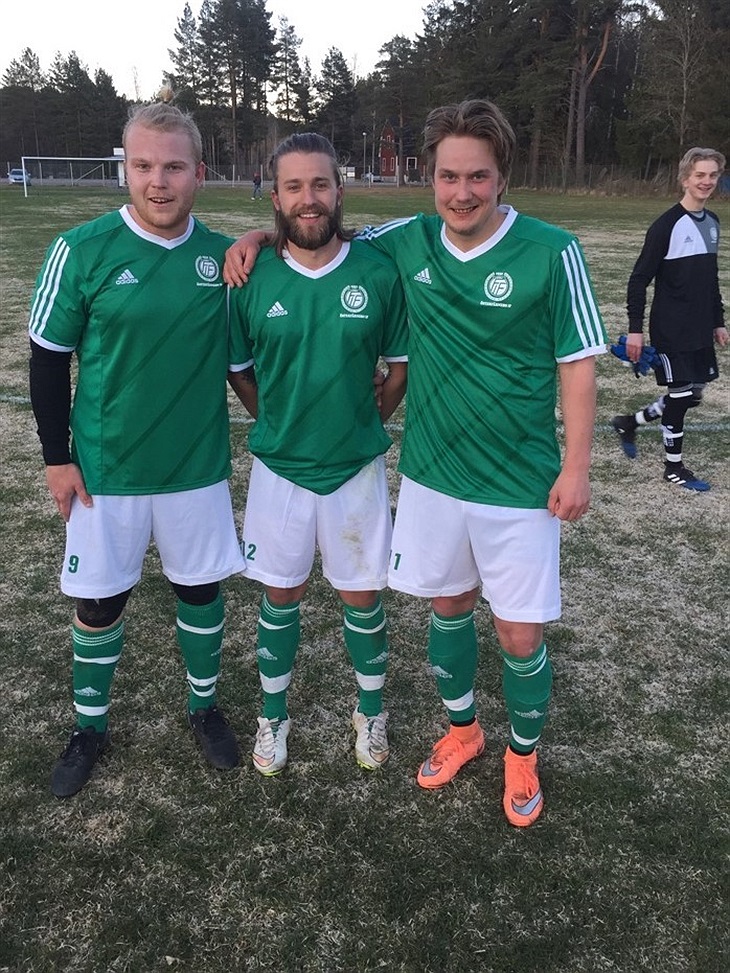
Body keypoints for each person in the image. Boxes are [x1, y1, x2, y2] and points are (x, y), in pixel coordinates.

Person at [225, 100, 607, 827]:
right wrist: (255, 235)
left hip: (520, 481)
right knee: (447, 609)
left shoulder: (552, 250)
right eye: (448, 177)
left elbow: (579, 363)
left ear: (502, 178)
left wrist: (577, 466)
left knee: (520, 634)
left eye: (477, 177)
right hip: (432, 475)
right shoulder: (408, 239)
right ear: (430, 179)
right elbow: (317, 233)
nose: (462, 192)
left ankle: (522, 754)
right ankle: (464, 731)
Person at [29, 102, 246, 798]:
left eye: (174, 166)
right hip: (105, 470)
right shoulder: (82, 249)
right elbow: (47, 356)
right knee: (99, 603)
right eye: (145, 165)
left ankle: (204, 707)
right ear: (126, 169)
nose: (159, 181)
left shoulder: (225, 259)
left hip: (195, 468)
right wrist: (56, 456)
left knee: (200, 590)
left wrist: (262, 234)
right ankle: (89, 727)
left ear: (199, 173)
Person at [226, 132, 408, 777]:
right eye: (295, 186)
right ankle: (272, 715)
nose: (310, 199)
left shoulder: (377, 270)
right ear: (275, 198)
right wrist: (279, 423)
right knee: (282, 593)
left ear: (340, 190)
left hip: (355, 467)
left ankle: (370, 710)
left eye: (321, 184)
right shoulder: (248, 276)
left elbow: (399, 368)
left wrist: (361, 423)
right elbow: (239, 369)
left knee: (362, 595)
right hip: (280, 469)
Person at [610, 147, 727, 489]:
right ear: (685, 179)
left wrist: (718, 321)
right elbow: (638, 279)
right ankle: (673, 468)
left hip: (700, 326)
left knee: (693, 394)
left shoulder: (713, 223)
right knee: (680, 396)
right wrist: (635, 330)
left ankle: (629, 422)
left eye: (713, 175)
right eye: (700, 175)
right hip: (672, 327)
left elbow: (710, 279)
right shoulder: (666, 225)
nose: (706, 181)